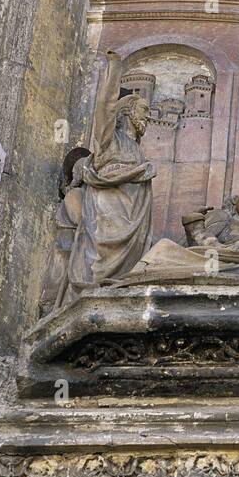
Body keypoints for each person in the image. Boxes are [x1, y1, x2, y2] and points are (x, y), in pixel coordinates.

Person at [60, 52, 156, 305]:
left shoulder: (137, 150)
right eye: (144, 110)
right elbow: (105, 105)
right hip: (106, 219)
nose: (149, 116)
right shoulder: (110, 141)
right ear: (127, 112)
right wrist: (115, 68)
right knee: (98, 267)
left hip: (133, 221)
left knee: (126, 275)